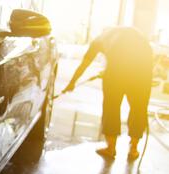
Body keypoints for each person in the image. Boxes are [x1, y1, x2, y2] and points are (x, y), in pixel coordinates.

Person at [64, 27, 154, 160]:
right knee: (139, 107)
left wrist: (72, 83)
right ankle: (133, 149)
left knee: (111, 107)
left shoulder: (99, 39)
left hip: (117, 71)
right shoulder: (129, 33)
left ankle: (111, 148)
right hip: (143, 69)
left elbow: (85, 64)